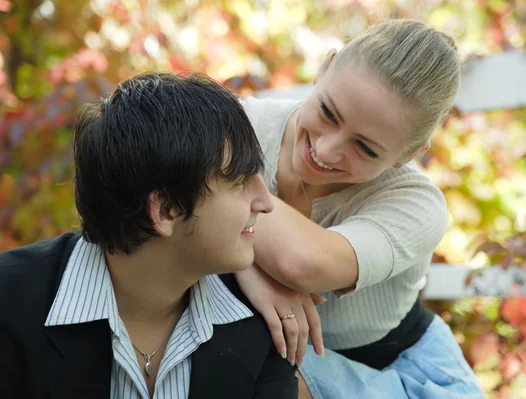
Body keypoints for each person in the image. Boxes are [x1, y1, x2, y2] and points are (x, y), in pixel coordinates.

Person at [0, 72, 298, 398]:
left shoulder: (263, 323)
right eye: (240, 182)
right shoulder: (10, 305)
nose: (266, 203)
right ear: (166, 209)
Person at [233, 19, 485, 398]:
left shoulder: (417, 203)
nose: (328, 149)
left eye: (366, 148)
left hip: (399, 371)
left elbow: (303, 263)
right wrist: (245, 266)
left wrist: (221, 203)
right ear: (322, 69)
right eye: (328, 113)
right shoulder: (244, 126)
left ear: (408, 155)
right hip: (283, 351)